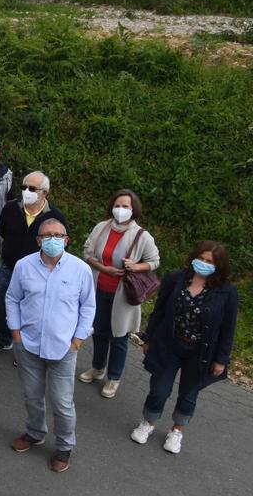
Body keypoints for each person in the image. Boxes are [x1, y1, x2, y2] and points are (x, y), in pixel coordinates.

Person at [6, 218, 95, 473]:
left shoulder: (80, 270)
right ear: (38, 240)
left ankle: (65, 446)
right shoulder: (23, 266)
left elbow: (88, 307)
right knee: (32, 396)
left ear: (66, 240)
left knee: (62, 403)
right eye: (47, 235)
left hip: (63, 348)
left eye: (58, 235)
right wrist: (16, 334)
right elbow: (12, 298)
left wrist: (78, 339)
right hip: (29, 345)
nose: (52, 239)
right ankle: (35, 432)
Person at [131, 242, 237, 454]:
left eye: (209, 262)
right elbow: (159, 311)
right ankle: (148, 422)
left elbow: (228, 328)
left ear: (219, 266)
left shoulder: (227, 292)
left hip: (200, 352)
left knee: (189, 394)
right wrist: (148, 338)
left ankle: (177, 431)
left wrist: (221, 359)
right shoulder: (175, 279)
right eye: (201, 258)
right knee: (159, 389)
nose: (203, 263)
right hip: (169, 344)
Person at [80, 190, 161, 397]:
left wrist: (136, 266)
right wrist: (103, 268)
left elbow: (154, 261)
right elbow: (87, 252)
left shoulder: (142, 236)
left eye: (126, 206)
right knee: (99, 330)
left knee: (119, 336)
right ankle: (98, 368)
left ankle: (113, 378)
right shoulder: (101, 227)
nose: (121, 210)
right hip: (98, 288)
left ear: (134, 210)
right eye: (118, 205)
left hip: (123, 294)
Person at [0, 171, 69, 355]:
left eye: (32, 188)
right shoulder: (11, 208)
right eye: (24, 187)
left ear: (44, 192)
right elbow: (2, 230)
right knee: (2, 308)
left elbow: (62, 244)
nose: (26, 191)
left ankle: (24, 348)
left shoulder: (55, 216)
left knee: (30, 310)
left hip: (37, 272)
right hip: (7, 267)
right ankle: (4, 339)